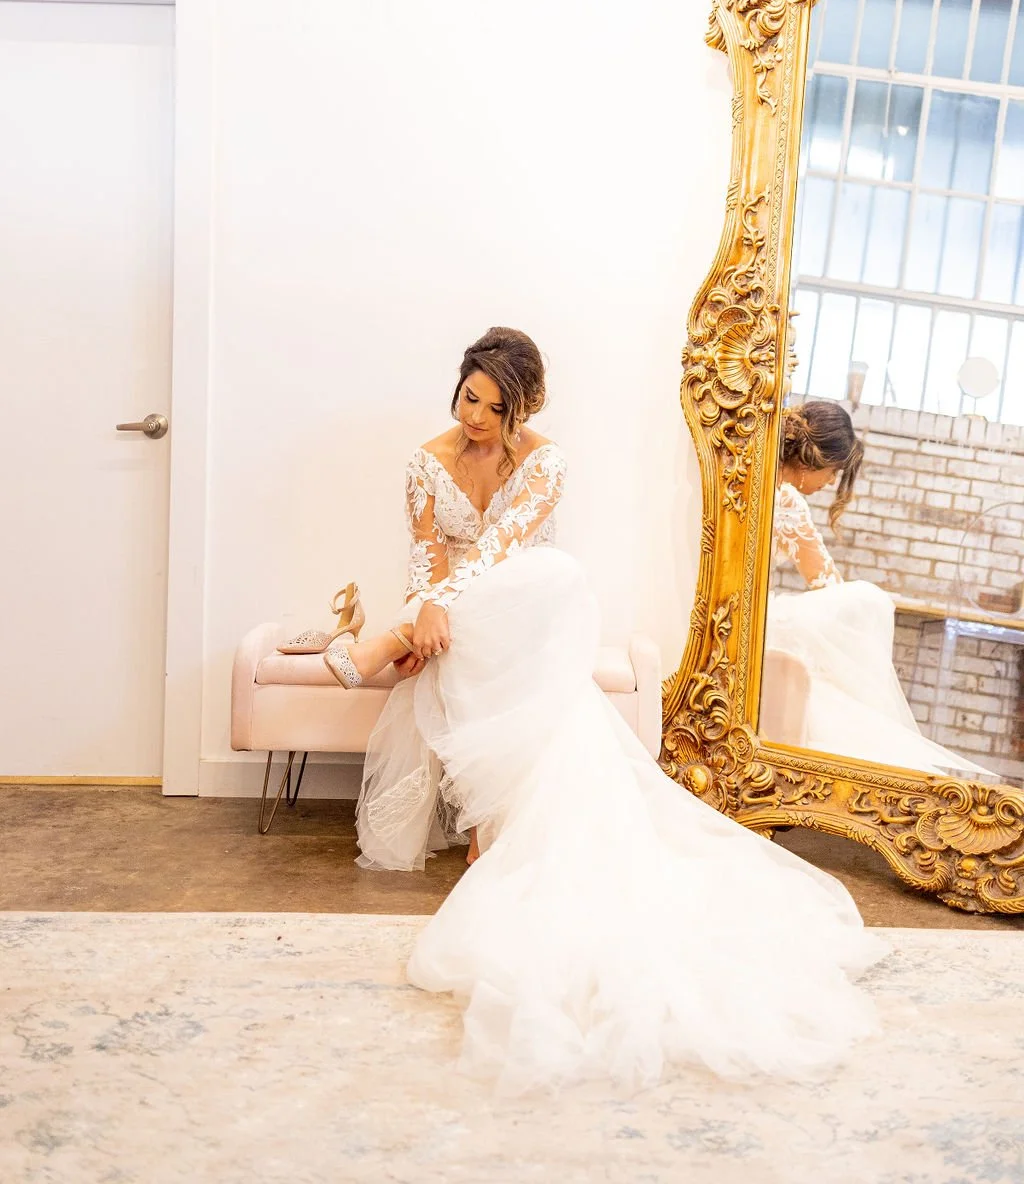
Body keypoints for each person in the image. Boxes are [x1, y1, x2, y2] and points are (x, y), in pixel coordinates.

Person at [298, 331, 884, 1095]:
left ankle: (393, 644)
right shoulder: (424, 462)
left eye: (496, 407)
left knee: (547, 571)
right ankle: (487, 824)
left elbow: (502, 547)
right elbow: (428, 554)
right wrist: (431, 603)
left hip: (540, 608)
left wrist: (428, 614)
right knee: (464, 629)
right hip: (472, 621)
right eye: (469, 397)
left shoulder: (547, 462)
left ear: (526, 408)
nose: (476, 416)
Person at [765, 400, 993, 776]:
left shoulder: (753, 483)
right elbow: (828, 586)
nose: (832, 484)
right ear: (812, 460)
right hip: (762, 616)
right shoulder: (787, 498)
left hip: (749, 609)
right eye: (834, 472)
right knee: (868, 601)